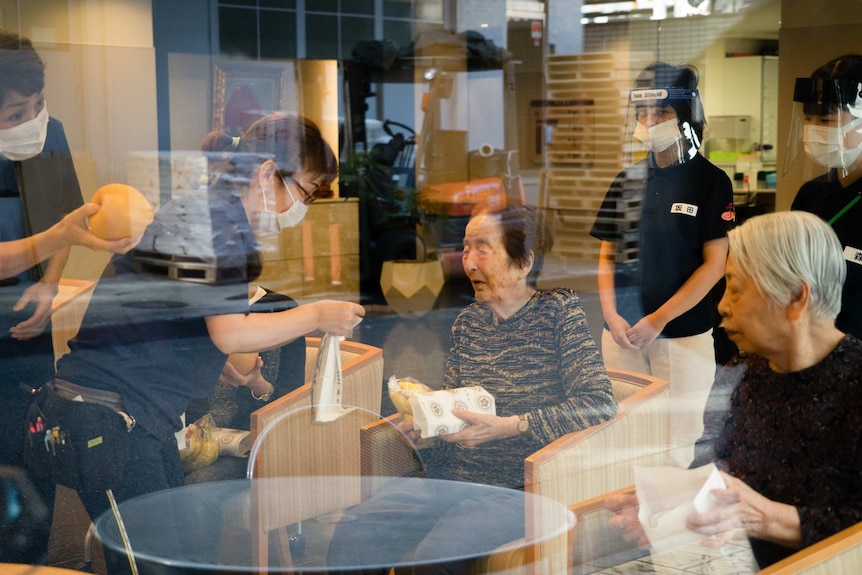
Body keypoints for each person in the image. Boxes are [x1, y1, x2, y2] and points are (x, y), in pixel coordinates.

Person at [31, 112, 364, 527]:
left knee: (179, 546)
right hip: (110, 414)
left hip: (133, 412)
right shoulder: (215, 223)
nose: (302, 206)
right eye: (306, 192)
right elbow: (230, 331)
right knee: (155, 555)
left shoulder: (210, 213)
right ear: (267, 173)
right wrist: (315, 313)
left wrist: (209, 360)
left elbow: (175, 312)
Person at [327, 201, 618, 574]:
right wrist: (428, 429)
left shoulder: (559, 313)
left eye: (483, 248)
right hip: (448, 481)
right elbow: (451, 406)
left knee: (434, 562)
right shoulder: (468, 321)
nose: (469, 262)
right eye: (465, 248)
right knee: (351, 539)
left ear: (524, 262)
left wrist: (513, 425)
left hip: (515, 490)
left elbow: (598, 403)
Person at [606, 211, 862, 570]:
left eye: (736, 289)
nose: (723, 305)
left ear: (796, 298)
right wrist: (662, 507)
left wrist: (768, 518)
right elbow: (710, 466)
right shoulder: (745, 370)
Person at [590, 62, 734, 468]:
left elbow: (714, 265)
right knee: (620, 436)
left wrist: (658, 319)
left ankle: (667, 526)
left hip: (681, 335)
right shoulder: (627, 179)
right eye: (643, 113)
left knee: (677, 441)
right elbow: (607, 253)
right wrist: (611, 316)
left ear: (686, 117)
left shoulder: (710, 180)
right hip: (620, 335)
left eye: (662, 113)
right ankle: (622, 523)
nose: (650, 122)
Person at [183, 285, 306, 483]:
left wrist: (257, 384)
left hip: (250, 442)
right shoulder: (193, 309)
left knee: (198, 482)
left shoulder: (282, 310)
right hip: (190, 434)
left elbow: (294, 400)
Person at [789, 54, 862, 339]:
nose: (814, 129)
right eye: (809, 119)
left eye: (826, 119)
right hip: (811, 349)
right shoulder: (811, 195)